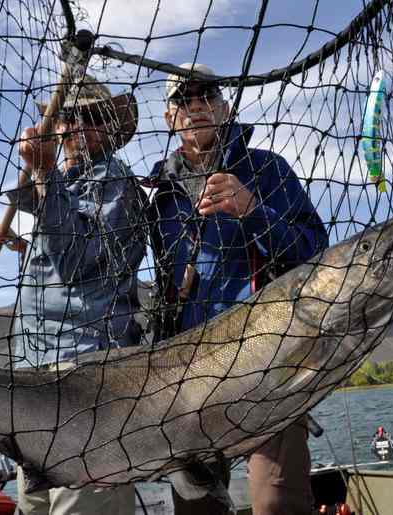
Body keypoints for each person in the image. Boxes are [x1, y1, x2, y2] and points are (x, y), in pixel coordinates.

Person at [146, 63, 329, 515]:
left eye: (205, 96)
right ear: (169, 118)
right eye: (181, 100)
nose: (194, 108)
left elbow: (315, 252)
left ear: (224, 107)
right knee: (197, 509)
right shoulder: (159, 196)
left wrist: (252, 209)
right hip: (190, 376)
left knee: (276, 503)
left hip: (269, 360)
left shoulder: (268, 169)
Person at [0, 75, 146, 515]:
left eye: (91, 117)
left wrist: (41, 172)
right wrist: (27, 240)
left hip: (87, 388)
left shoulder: (117, 183)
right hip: (34, 382)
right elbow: (60, 262)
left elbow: (78, 264)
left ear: (110, 130)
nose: (76, 125)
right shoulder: (61, 184)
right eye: (68, 116)